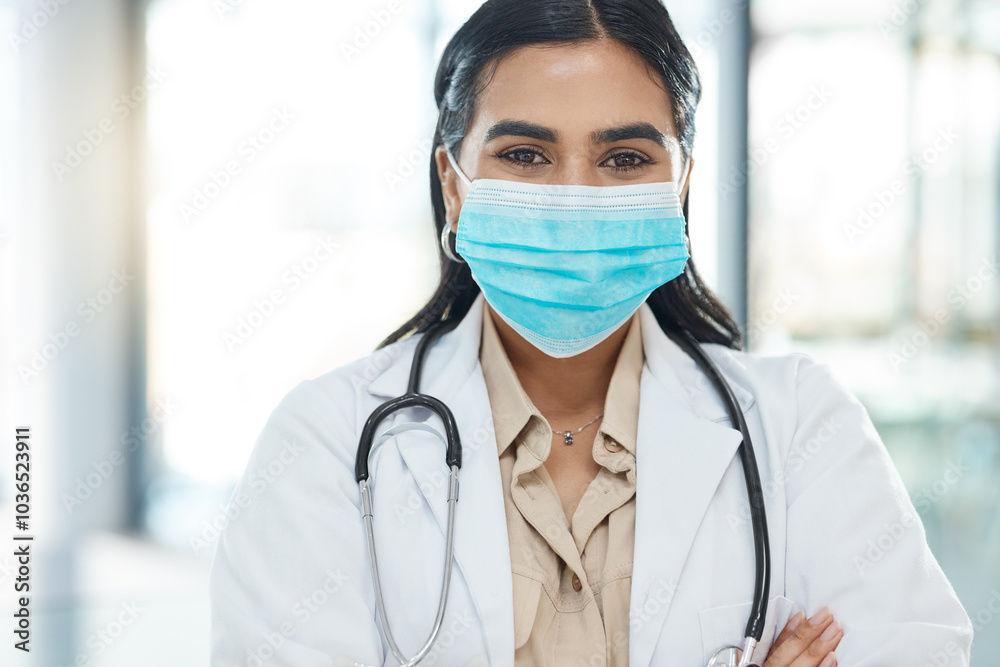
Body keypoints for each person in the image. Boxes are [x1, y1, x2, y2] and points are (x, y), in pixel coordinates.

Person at [209, 1, 973, 665]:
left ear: (678, 185)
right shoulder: (324, 444)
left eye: (623, 158)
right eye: (526, 154)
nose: (575, 194)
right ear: (453, 185)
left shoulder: (802, 427)